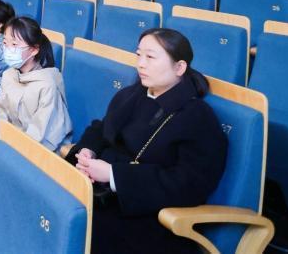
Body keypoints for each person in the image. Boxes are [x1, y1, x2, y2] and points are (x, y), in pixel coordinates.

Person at [68, 29, 227, 254]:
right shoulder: (132, 95)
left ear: (179, 67)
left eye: (150, 57)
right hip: (102, 195)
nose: (141, 64)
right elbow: (102, 128)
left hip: (150, 218)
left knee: (75, 228)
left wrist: (113, 176)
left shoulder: (197, 117)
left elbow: (189, 184)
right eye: (138, 55)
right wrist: (87, 151)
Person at [0, 16, 73, 150]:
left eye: (15, 45)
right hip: (12, 139)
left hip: (36, 148)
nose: (8, 49)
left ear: (34, 50)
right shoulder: (9, 74)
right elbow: (1, 114)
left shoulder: (47, 85)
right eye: (5, 43)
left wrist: (9, 147)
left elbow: (43, 136)